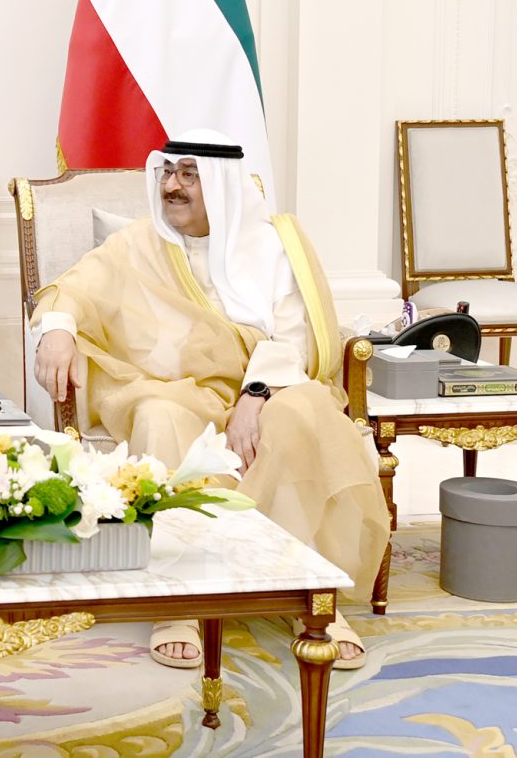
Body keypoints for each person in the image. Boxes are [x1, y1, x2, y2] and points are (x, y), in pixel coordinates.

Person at [32, 130, 388, 670]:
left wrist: (255, 396)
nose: (171, 186)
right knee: (158, 414)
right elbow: (76, 289)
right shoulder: (139, 244)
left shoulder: (274, 246)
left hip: (268, 384)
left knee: (304, 412)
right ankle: (178, 601)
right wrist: (58, 329)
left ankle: (314, 592)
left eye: (188, 175)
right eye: (167, 172)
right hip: (178, 390)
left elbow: (297, 339)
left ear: (221, 185)